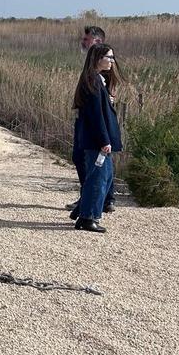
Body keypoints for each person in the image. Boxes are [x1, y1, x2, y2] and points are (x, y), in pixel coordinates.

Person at [73, 44, 122, 233]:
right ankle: (88, 217)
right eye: (109, 57)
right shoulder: (93, 81)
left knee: (104, 176)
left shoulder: (96, 80)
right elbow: (96, 115)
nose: (112, 61)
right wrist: (104, 140)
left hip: (97, 141)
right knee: (99, 178)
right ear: (98, 58)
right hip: (97, 142)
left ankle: (83, 213)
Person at [71, 25, 106, 203]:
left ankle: (96, 199)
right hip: (84, 117)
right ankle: (94, 197)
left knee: (93, 160)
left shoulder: (104, 61)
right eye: (83, 39)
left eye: (87, 39)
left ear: (97, 41)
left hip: (93, 119)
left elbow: (108, 90)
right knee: (81, 157)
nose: (83, 42)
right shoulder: (90, 61)